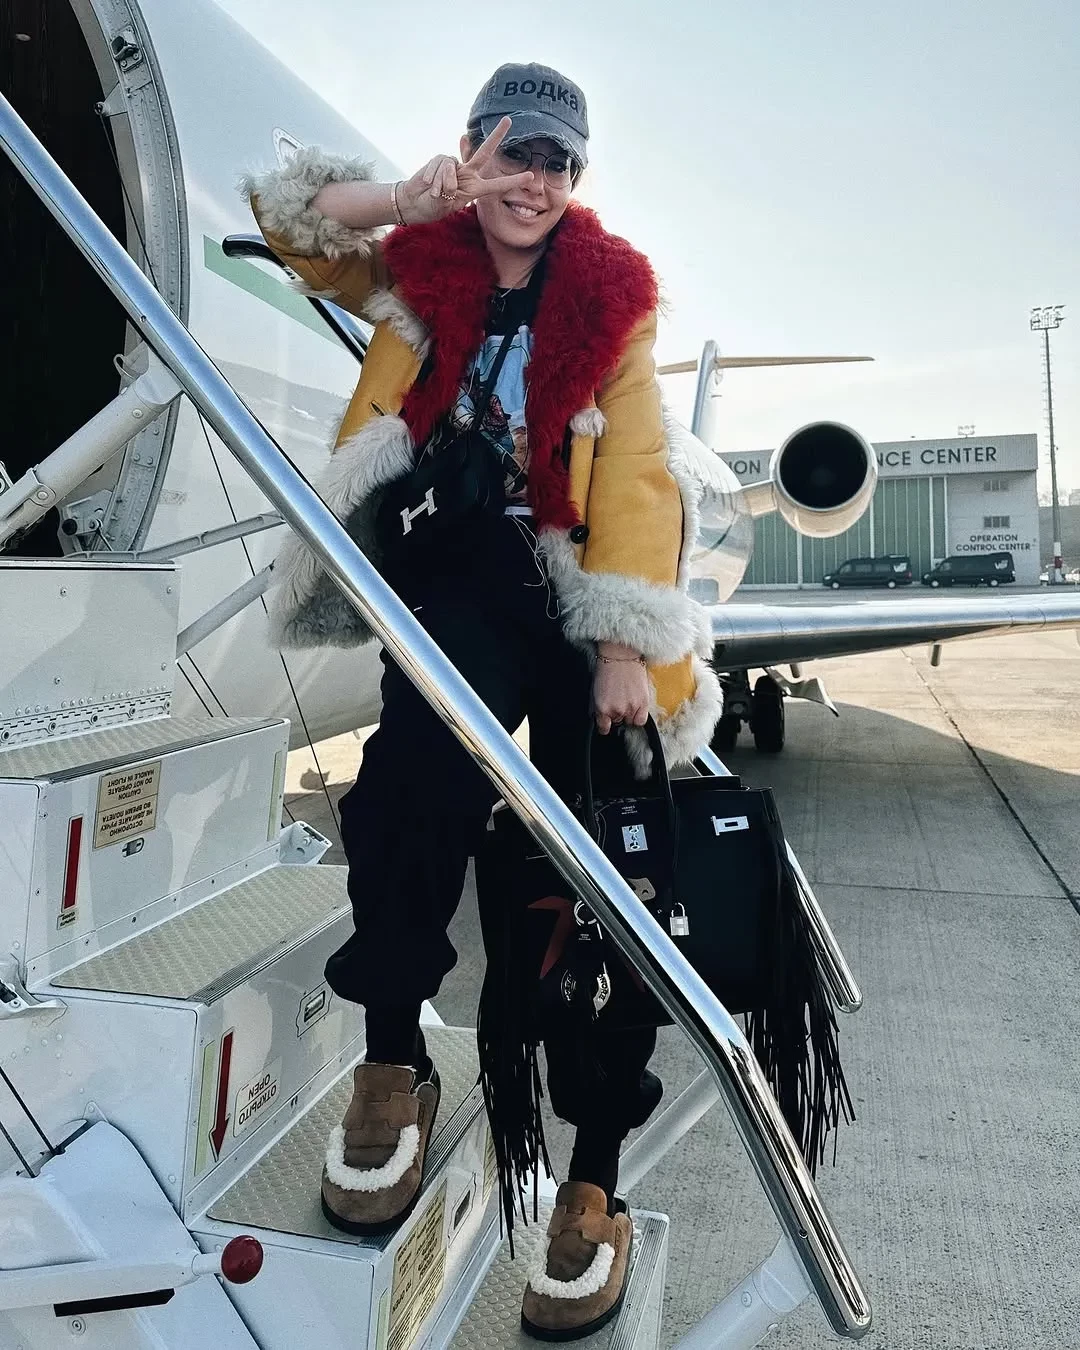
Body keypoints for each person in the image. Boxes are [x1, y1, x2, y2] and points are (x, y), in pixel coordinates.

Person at [244, 61, 721, 1341]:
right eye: (516, 153)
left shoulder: (613, 297)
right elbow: (291, 224)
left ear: (577, 183)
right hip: (459, 573)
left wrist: (621, 640)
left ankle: (593, 1175)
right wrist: (404, 198)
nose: (536, 181)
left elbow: (638, 468)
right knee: (410, 787)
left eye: (560, 164)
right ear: (475, 152)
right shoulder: (421, 262)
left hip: (579, 584)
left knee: (603, 866)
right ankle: (393, 1059)